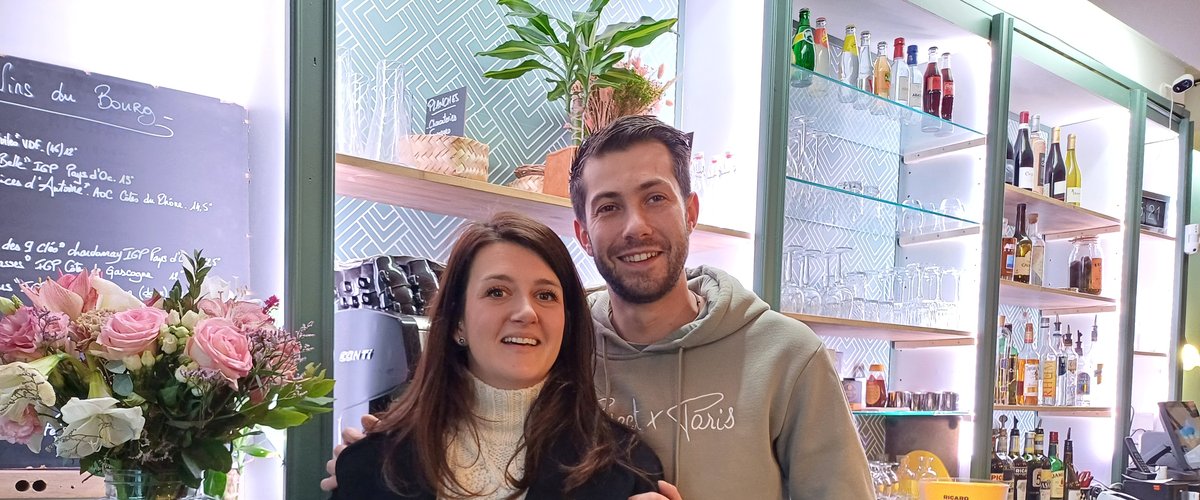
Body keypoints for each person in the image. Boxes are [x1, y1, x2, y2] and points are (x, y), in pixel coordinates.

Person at [324, 116, 873, 499]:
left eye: (655, 198)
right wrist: (386, 455)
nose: (635, 226)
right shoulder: (553, 339)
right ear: (584, 233)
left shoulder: (787, 357)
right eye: (610, 207)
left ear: (691, 211)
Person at [329, 212, 663, 500]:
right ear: (458, 320)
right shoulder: (371, 463)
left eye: (546, 295)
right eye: (497, 292)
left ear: (567, 322)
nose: (525, 312)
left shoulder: (625, 467)